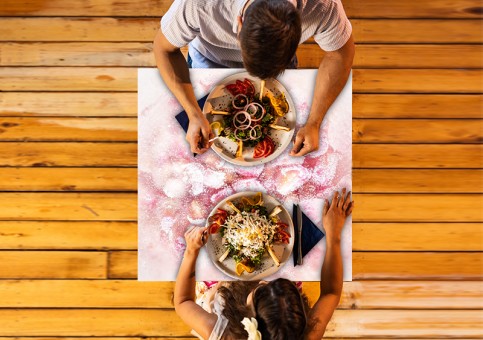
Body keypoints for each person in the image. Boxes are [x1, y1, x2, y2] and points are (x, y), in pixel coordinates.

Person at [154, 0, 355, 156]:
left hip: (282, 69)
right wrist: (193, 113)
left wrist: (314, 122)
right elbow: (163, 49)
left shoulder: (323, 6)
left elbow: (340, 55)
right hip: (209, 60)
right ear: (239, 23)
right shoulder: (197, 4)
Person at [174, 188, 353, 339]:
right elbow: (331, 293)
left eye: (262, 289)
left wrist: (191, 252)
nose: (264, 281)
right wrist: (334, 235)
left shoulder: (225, 334)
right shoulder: (306, 335)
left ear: (249, 318)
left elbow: (182, 301)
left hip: (223, 294)